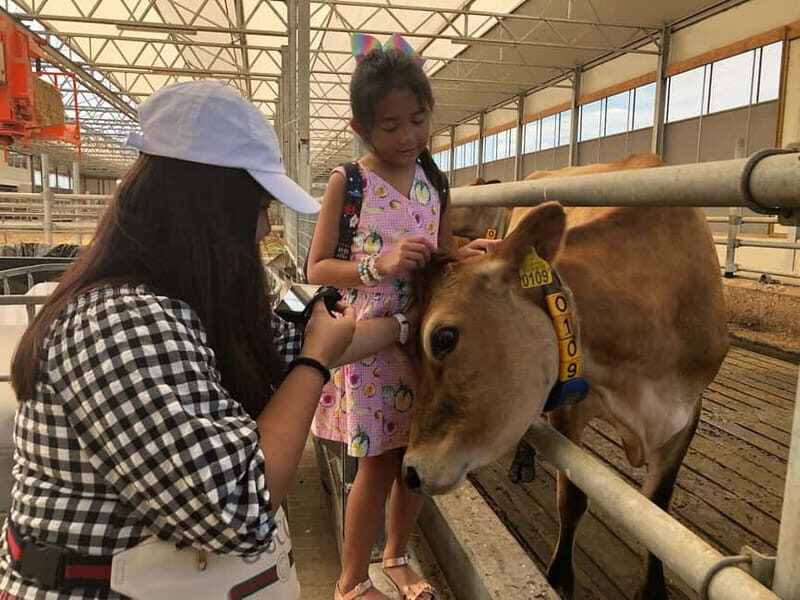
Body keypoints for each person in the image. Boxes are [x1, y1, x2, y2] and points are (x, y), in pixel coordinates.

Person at [0, 80, 411, 600]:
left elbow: (303, 341)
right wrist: (315, 363)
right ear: (208, 210)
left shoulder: (192, 300)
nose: (265, 228)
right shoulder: (119, 323)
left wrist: (404, 326)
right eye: (261, 207)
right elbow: (241, 505)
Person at [306, 35, 497, 600]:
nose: (408, 136)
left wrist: (457, 255)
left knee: (415, 453)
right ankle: (349, 581)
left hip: (421, 342)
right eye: (390, 126)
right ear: (361, 127)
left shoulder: (434, 181)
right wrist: (377, 264)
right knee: (376, 464)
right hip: (369, 345)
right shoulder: (351, 182)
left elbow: (435, 256)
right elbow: (319, 266)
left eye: (418, 120)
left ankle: (396, 555)